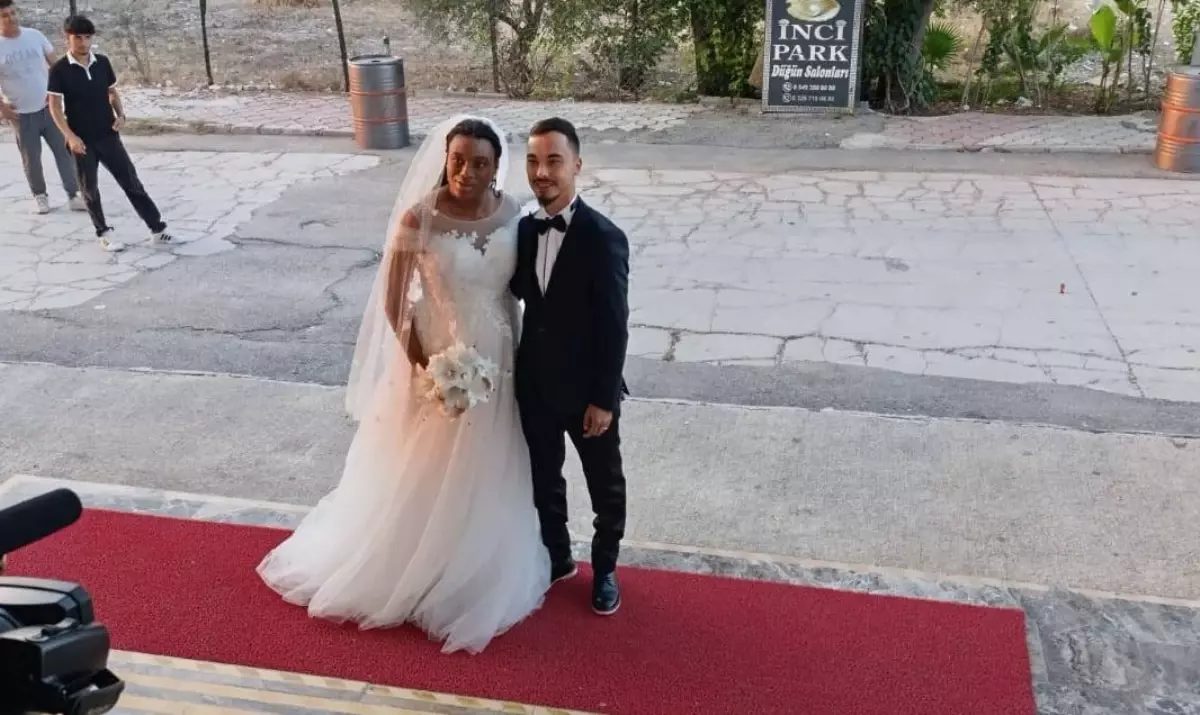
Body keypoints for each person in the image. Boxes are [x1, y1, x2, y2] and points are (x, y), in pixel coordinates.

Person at [257, 116, 550, 655]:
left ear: (495, 168)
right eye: (458, 160)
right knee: (431, 464)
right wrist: (428, 364)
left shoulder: (513, 212)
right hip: (442, 360)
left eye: (480, 163)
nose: (466, 172)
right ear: (446, 159)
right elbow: (394, 301)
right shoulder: (420, 217)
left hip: (502, 357)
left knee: (493, 460)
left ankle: (473, 562)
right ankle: (419, 566)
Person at [511, 118, 631, 616]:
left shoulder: (604, 237)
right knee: (544, 480)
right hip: (535, 386)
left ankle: (605, 569)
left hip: (587, 394)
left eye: (553, 161)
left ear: (576, 165)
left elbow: (614, 325)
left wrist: (603, 399)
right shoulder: (523, 229)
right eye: (533, 161)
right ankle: (558, 558)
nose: (542, 172)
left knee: (605, 486)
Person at [46, 14, 172, 253]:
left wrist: (121, 115)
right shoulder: (59, 69)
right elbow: (54, 107)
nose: (83, 42)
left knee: (131, 182)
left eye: (87, 37)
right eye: (77, 37)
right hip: (82, 140)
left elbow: (112, 92)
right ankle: (104, 233)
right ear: (67, 38)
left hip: (108, 135)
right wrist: (70, 137)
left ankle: (158, 229)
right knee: (90, 189)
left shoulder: (102, 62)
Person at [0, 0, 84, 214]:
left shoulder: (34, 36)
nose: (11, 18)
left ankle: (74, 194)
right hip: (21, 115)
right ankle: (40, 196)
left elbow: (54, 65)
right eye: (5, 15)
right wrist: (3, 109)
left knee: (64, 152)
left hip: (49, 109)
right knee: (32, 159)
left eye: (13, 13)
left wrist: (61, 92)